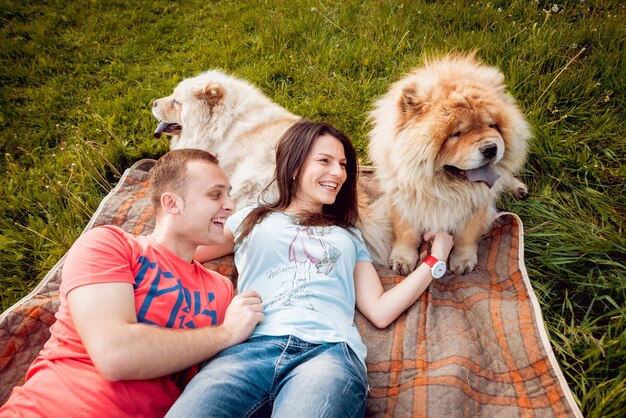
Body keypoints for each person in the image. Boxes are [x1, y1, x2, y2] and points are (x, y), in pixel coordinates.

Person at [166, 120, 454, 418]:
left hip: (326, 354)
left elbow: (381, 311)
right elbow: (183, 251)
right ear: (293, 166)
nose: (338, 173)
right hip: (248, 350)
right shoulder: (250, 219)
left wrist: (436, 258)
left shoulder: (348, 235)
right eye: (325, 161)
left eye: (342, 164)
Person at [0, 149, 264, 417]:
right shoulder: (110, 244)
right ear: (172, 203)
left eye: (229, 194)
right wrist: (225, 333)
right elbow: (115, 354)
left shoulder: (220, 289)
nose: (230, 205)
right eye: (215, 194)